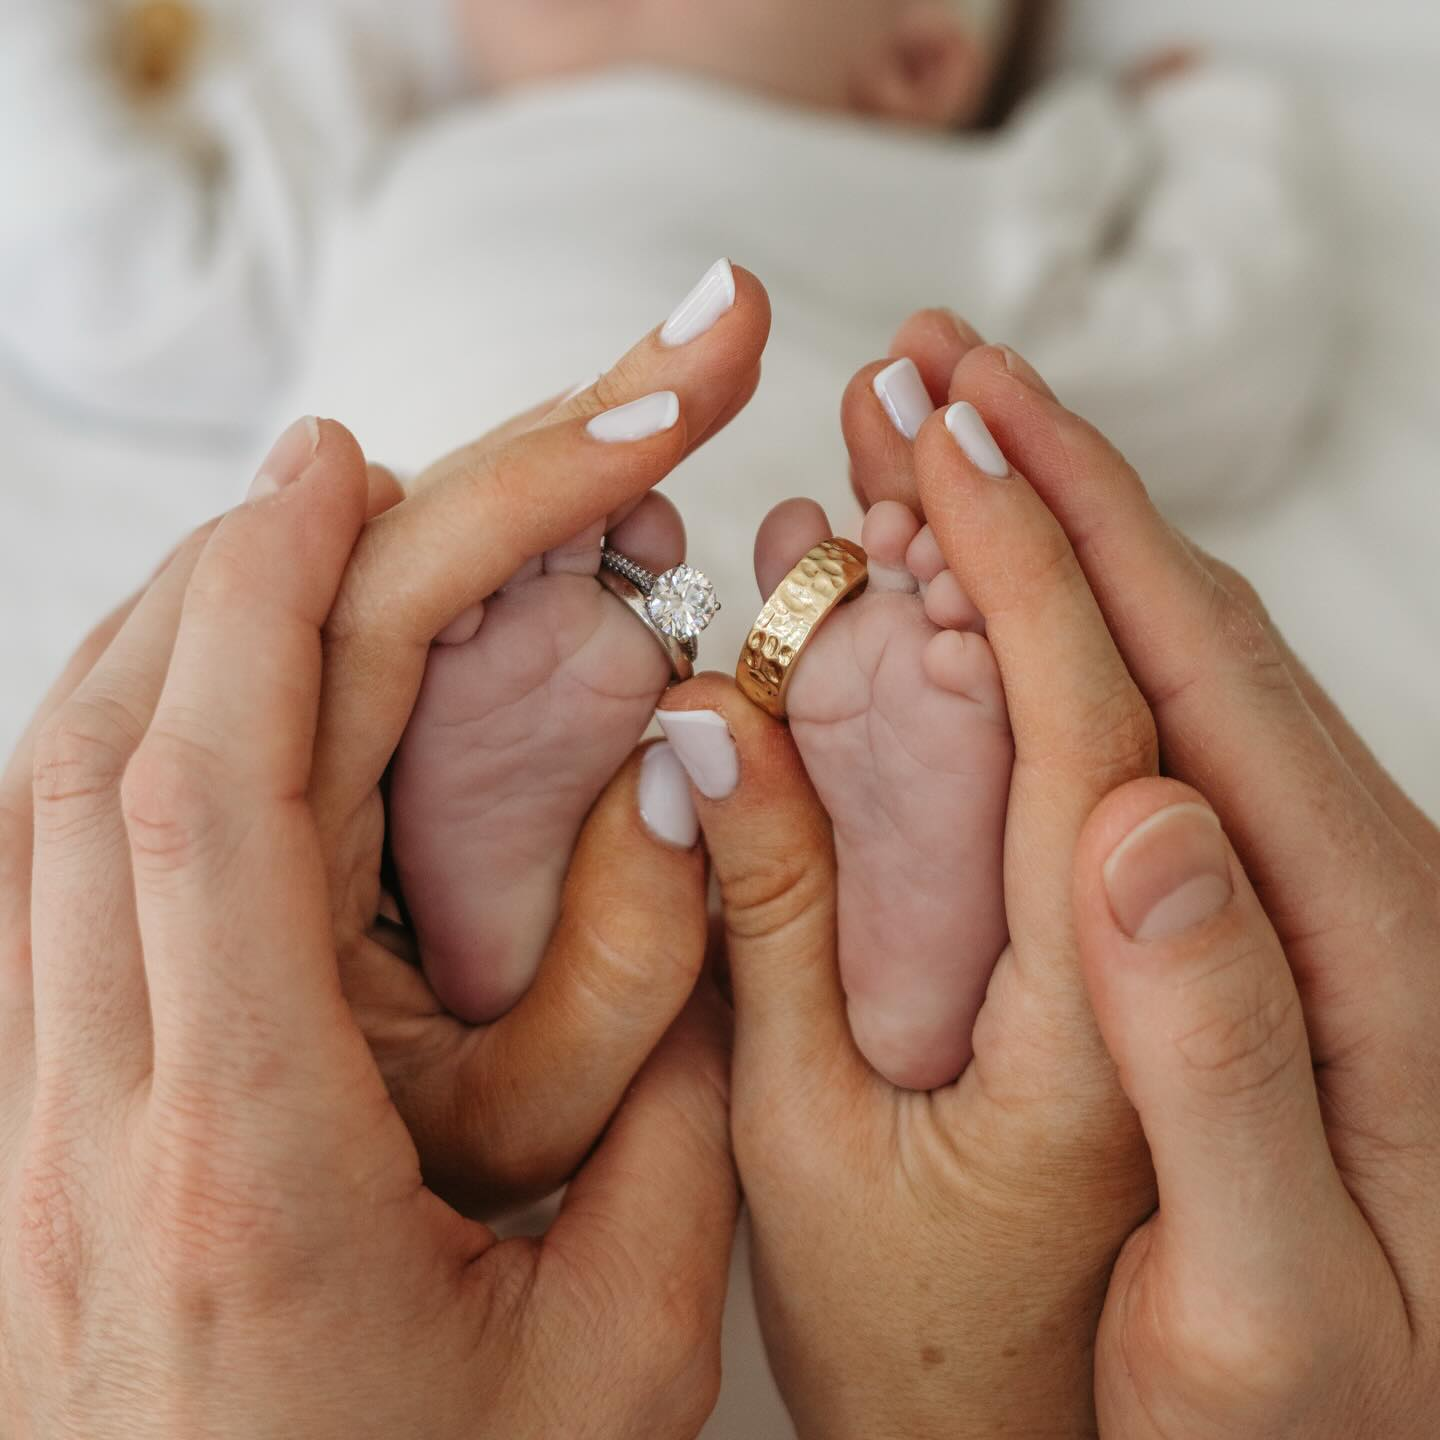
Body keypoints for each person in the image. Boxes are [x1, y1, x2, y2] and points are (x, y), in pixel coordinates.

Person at [5, 296, 1438, 1436]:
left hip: (513, 581)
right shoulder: (358, 127)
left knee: (639, 641)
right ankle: (545, 916)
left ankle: (573, 908)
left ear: (922, 58)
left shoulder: (1000, 171)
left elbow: (1221, 329)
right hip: (446, 629)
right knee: (543, 667)